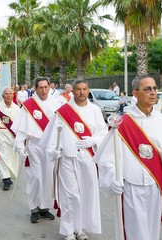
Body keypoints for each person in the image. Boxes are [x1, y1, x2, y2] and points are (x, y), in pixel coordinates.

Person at [93, 75, 162, 240]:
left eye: (155, 88)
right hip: (131, 188)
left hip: (155, 187)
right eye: (147, 89)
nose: (153, 93)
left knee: (151, 233)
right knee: (134, 233)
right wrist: (111, 179)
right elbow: (107, 159)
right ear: (135, 93)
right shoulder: (123, 123)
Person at [41, 79, 108, 240]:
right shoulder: (63, 111)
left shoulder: (95, 110)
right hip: (67, 158)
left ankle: (81, 228)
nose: (82, 92)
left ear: (88, 90)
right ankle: (69, 230)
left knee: (86, 194)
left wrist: (93, 141)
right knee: (70, 195)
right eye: (78, 89)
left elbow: (103, 132)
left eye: (84, 89)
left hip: (88, 158)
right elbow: (52, 136)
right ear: (73, 91)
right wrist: (54, 150)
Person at [11, 77, 61, 224]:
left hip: (50, 148)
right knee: (35, 178)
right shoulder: (28, 105)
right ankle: (34, 208)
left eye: (46, 87)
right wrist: (20, 148)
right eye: (41, 87)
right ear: (36, 88)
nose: (44, 90)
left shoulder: (56, 104)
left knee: (48, 178)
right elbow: (21, 129)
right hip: (33, 147)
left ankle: (44, 207)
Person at [0, 87, 20, 191]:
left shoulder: (17, 109)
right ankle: (6, 179)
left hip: (13, 136)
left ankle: (9, 175)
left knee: (11, 157)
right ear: (3, 96)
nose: (8, 95)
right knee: (2, 157)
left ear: (13, 95)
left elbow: (20, 124)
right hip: (1, 135)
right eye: (6, 94)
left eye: (10, 93)